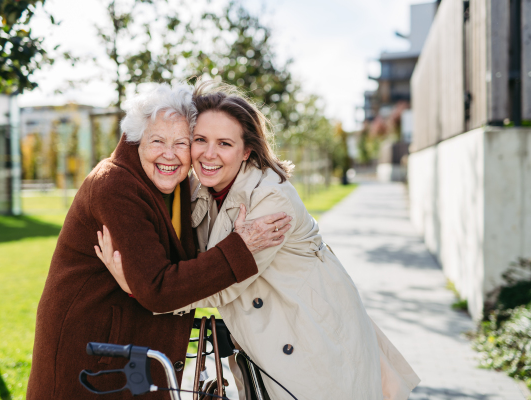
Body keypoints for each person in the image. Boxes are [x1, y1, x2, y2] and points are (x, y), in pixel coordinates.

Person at [97, 82, 421, 400]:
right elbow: (191, 262)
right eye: (200, 140)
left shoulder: (270, 200)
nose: (209, 154)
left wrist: (140, 285)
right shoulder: (197, 190)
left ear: (246, 150)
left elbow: (222, 284)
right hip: (267, 349)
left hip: (314, 344)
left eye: (224, 143)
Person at [26, 83, 292, 400]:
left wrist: (140, 284)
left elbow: (178, 272)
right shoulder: (115, 185)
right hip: (94, 357)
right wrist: (240, 246)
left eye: (181, 143)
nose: (170, 154)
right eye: (158, 141)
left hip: (130, 354)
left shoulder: (174, 185)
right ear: (137, 140)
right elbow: (159, 288)